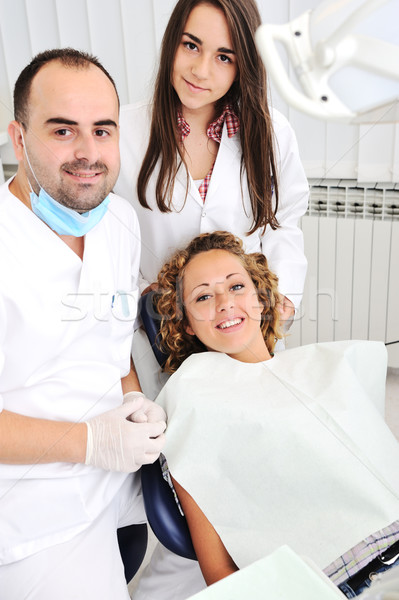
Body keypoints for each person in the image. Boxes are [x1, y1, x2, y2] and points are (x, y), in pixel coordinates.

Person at [0, 48, 166, 600]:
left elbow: (111, 343)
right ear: (19, 138)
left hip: (115, 476)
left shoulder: (118, 221)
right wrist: (91, 443)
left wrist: (133, 402)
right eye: (63, 130)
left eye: (103, 130)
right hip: (34, 509)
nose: (88, 153)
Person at [153, 231, 399, 599]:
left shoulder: (326, 366)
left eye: (236, 286)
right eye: (203, 296)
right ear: (186, 322)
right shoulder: (193, 396)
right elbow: (219, 570)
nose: (223, 302)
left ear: (262, 299)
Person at [115, 0, 309, 402]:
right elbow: (105, 229)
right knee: (172, 438)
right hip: (161, 326)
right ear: (172, 44)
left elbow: (285, 217)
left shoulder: (272, 133)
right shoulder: (121, 131)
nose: (201, 70)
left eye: (224, 56)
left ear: (244, 66)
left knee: (256, 425)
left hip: (244, 324)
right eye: (190, 45)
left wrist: (283, 290)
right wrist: (140, 289)